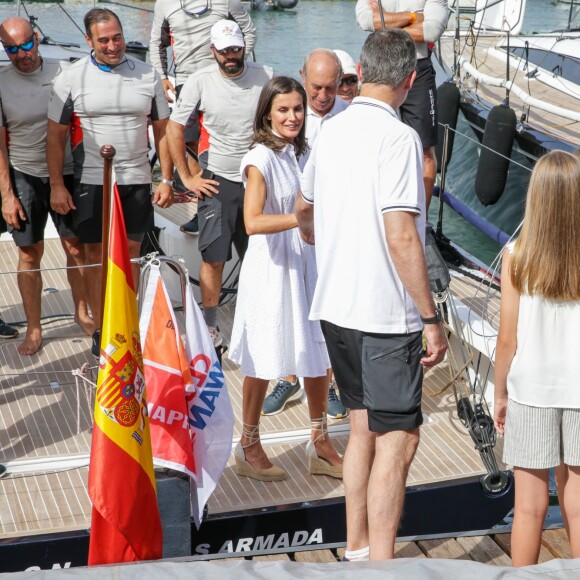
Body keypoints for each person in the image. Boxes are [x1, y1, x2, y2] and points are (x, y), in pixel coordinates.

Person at [296, 29, 448, 560]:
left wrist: (314, 232)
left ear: (360, 69)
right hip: (385, 315)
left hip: (334, 307)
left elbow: (303, 204)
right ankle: (383, 563)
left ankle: (357, 550)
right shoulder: (400, 138)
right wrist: (430, 316)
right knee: (399, 439)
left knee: (360, 425)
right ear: (410, 80)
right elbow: (401, 232)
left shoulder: (329, 129)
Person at [229, 76, 342, 482]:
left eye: (297, 109)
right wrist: (303, 219)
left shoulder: (300, 152)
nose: (293, 116)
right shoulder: (259, 159)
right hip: (273, 268)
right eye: (283, 110)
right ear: (267, 114)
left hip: (307, 262)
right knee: (262, 356)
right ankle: (249, 445)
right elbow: (252, 221)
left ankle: (320, 441)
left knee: (317, 353)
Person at [47, 8, 174, 357]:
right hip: (90, 179)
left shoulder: (148, 75)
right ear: (88, 41)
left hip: (136, 178)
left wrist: (166, 178)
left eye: (116, 37)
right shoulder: (70, 78)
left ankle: (126, 324)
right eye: (103, 40)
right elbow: (55, 137)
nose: (113, 45)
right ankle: (103, 328)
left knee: (132, 254)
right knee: (93, 255)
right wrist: (57, 184)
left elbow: (162, 132)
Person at [493, 151, 580, 567]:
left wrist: (500, 394)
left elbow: (507, 339)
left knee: (528, 507)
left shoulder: (516, 256)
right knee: (578, 506)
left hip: (530, 391)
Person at [167, 19, 273, 347]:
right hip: (217, 181)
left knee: (262, 257)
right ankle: (211, 330)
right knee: (214, 259)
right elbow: (173, 129)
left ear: (245, 47)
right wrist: (186, 177)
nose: (231, 55)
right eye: (225, 50)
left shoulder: (267, 75)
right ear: (213, 51)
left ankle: (266, 320)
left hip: (258, 179)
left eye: (236, 48)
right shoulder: (199, 81)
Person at [262, 48, 348, 419]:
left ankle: (329, 382)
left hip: (334, 230)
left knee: (329, 309)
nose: (323, 96)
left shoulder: (351, 118)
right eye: (316, 87)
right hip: (294, 228)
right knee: (289, 305)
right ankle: (288, 375)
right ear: (302, 76)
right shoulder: (291, 117)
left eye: (331, 88)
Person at [0, 16, 92, 355]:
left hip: (67, 173)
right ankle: (34, 329)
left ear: (36, 39)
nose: (21, 54)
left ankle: (81, 313)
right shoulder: (1, 81)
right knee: (28, 253)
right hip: (24, 173)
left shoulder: (64, 71)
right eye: (11, 49)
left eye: (26, 45)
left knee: (76, 248)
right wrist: (7, 195)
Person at [356, 0, 449, 210]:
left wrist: (383, 22)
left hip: (418, 68)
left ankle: (422, 222)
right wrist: (413, 17)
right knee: (371, 143)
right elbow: (365, 19)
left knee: (424, 151)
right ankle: (370, 210)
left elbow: (431, 30)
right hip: (379, 65)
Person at [149, 0, 256, 103]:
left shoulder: (229, 1)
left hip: (223, 80)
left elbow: (249, 33)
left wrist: (234, 61)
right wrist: (162, 78)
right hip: (185, 81)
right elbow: (157, 43)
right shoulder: (163, 3)